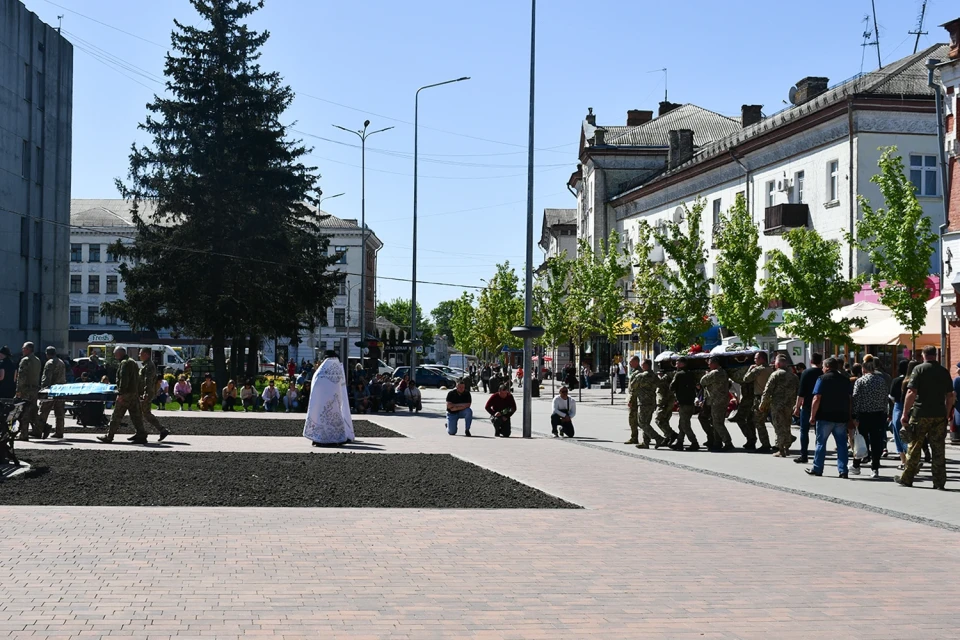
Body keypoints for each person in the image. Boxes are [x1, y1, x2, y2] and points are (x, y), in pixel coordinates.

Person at [897, 345, 953, 489]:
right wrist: (946, 413)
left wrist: (905, 413)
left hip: (920, 414)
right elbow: (950, 395)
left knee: (914, 447)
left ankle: (907, 478)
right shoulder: (944, 371)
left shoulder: (918, 369)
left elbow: (911, 393)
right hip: (939, 415)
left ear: (923, 355)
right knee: (938, 449)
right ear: (935, 355)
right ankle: (939, 482)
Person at [805, 357, 852, 478]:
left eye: (823, 367)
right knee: (842, 444)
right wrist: (850, 416)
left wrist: (812, 415)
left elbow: (817, 398)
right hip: (841, 416)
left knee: (821, 443)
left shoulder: (822, 379)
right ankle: (843, 470)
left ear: (827, 367)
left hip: (825, 416)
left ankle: (817, 468)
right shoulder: (845, 379)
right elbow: (850, 399)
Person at [303, 350, 355, 447]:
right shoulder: (338, 370)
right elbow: (342, 388)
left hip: (321, 404)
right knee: (334, 418)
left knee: (321, 418)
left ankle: (319, 438)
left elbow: (315, 386)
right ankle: (335, 438)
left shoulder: (321, 371)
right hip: (335, 402)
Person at [98, 346, 147, 444]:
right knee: (136, 416)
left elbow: (124, 379)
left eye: (115, 354)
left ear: (119, 354)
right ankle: (141, 434)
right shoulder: (133, 362)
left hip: (126, 394)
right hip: (134, 393)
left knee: (116, 416)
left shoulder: (124, 363)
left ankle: (109, 436)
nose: (115, 356)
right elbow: (139, 378)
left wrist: (120, 393)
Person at [852, 355, 889, 478]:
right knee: (876, 441)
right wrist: (885, 412)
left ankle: (857, 465)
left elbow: (856, 398)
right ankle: (875, 468)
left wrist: (854, 416)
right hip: (878, 414)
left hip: (863, 414)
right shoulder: (881, 381)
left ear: (863, 369)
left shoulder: (860, 381)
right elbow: (885, 399)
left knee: (861, 440)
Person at [759, 355, 800, 457]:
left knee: (778, 427)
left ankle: (781, 449)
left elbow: (767, 391)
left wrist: (763, 404)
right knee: (787, 426)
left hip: (777, 405)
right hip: (789, 405)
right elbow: (798, 391)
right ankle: (787, 448)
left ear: (778, 364)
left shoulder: (775, 375)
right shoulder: (793, 376)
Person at [627, 356, 665, 448]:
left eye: (642, 364)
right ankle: (645, 442)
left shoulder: (641, 376)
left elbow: (633, 386)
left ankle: (658, 438)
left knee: (641, 423)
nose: (641, 366)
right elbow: (660, 384)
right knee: (646, 422)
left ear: (646, 365)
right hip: (652, 401)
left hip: (643, 401)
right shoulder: (654, 375)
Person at [792, 353, 823, 463]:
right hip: (821, 406)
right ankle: (817, 456)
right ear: (821, 361)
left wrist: (797, 407)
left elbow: (801, 393)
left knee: (804, 431)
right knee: (818, 432)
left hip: (807, 405)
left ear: (811, 361)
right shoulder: (823, 372)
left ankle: (804, 455)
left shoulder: (806, 373)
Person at [700, 355, 734, 451]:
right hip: (720, 400)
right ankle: (717, 442)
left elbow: (702, 381)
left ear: (715, 363)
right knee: (716, 422)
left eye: (710, 362)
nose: (708, 364)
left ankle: (728, 442)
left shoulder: (715, 373)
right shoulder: (723, 372)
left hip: (717, 401)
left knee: (717, 423)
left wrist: (706, 374)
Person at [742, 352, 774, 452]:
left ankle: (765, 444)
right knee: (775, 421)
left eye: (756, 358)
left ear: (761, 359)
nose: (754, 360)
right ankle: (784, 440)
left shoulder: (758, 370)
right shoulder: (771, 369)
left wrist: (750, 369)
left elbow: (746, 379)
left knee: (759, 422)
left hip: (760, 398)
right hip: (771, 398)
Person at [137, 348, 169, 441]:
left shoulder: (149, 366)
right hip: (144, 392)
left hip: (146, 393)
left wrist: (146, 393)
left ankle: (161, 430)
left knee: (145, 413)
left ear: (146, 354)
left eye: (141, 353)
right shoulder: (146, 365)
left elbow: (148, 381)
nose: (139, 355)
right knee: (143, 413)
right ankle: (140, 432)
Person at [35, 346, 66, 439]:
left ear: (47, 353)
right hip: (61, 391)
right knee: (60, 413)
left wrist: (43, 391)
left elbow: (46, 378)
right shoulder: (61, 362)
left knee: (43, 411)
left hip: (51, 391)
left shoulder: (49, 363)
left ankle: (39, 431)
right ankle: (59, 431)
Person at [670, 357, 700, 451]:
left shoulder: (679, 374)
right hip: (690, 402)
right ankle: (679, 442)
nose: (676, 364)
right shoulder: (691, 374)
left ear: (682, 364)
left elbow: (672, 387)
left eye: (677, 363)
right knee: (682, 424)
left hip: (684, 402)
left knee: (685, 425)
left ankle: (694, 442)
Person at [14, 342, 42, 440]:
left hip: (26, 389)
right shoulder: (37, 360)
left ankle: (24, 434)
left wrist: (18, 390)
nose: (22, 350)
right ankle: (39, 430)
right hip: (34, 389)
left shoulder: (25, 360)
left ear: (28, 349)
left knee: (23, 412)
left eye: (24, 348)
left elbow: (21, 377)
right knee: (33, 411)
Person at [888, 360, 910, 470]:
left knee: (898, 434)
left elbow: (891, 397)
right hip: (912, 408)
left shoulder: (896, 381)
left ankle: (903, 461)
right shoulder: (913, 380)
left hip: (898, 407)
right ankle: (911, 458)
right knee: (911, 435)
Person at [655, 365, 681, 449]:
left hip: (664, 403)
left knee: (659, 420)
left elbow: (658, 385)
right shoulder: (671, 377)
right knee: (665, 421)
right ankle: (667, 437)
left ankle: (672, 434)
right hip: (667, 403)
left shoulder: (665, 379)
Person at [0, 346, 17, 427]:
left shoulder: (2, 363)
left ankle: (2, 426)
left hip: (2, 389)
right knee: (9, 409)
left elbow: (1, 377)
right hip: (11, 389)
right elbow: (15, 378)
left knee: (2, 409)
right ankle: (10, 426)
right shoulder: (13, 363)